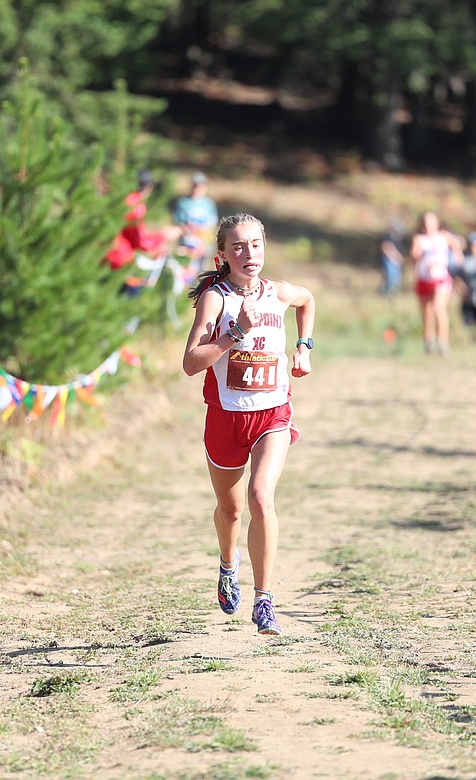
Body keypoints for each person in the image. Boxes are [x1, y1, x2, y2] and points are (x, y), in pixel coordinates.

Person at [182, 213, 315, 636]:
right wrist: (231, 336)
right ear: (222, 255)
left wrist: (304, 348)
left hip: (272, 413)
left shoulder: (278, 293)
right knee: (231, 509)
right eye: (238, 246)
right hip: (225, 417)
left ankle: (264, 601)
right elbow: (190, 363)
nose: (249, 253)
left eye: (255, 244)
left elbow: (308, 299)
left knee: (261, 498)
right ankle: (227, 564)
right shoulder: (216, 300)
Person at [410, 211, 463, 354]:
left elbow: (458, 244)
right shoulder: (419, 239)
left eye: (432, 222)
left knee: (439, 308)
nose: (429, 226)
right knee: (427, 312)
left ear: (437, 224)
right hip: (424, 278)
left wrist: (458, 255)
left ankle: (443, 342)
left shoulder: (443, 237)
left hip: (441, 278)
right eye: (426, 223)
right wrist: (418, 256)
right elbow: (413, 257)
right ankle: (428, 341)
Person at [172, 171, 219, 271]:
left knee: (202, 270)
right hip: (187, 241)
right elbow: (178, 221)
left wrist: (203, 237)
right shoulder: (183, 202)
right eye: (195, 186)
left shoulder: (209, 204)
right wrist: (188, 231)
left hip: (203, 243)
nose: (197, 189)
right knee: (185, 269)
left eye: (200, 186)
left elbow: (212, 223)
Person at [454, 231, 476, 336]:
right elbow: (457, 276)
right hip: (468, 297)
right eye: (472, 245)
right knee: (468, 323)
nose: (474, 247)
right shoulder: (465, 259)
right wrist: (460, 286)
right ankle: (470, 346)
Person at [378, 219, 406, 295]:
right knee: (389, 279)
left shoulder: (398, 239)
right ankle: (384, 294)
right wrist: (393, 256)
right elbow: (385, 247)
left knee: (396, 280)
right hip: (389, 261)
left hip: (396, 262)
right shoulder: (388, 237)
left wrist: (399, 258)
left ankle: (392, 293)